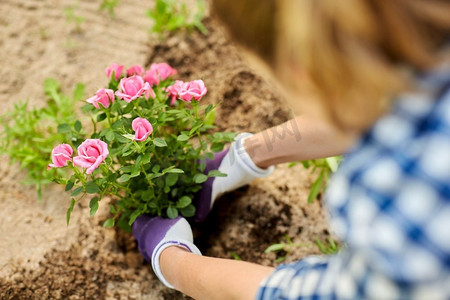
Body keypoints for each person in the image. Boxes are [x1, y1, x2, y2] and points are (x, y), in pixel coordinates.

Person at [133, 0, 450, 299]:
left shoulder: (395, 199)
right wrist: (244, 156)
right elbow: (377, 102)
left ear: (299, 70)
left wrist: (173, 262)